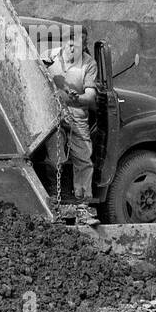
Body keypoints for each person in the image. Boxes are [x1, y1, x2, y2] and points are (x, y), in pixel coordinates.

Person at [44, 28, 99, 225]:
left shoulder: (89, 64)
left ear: (84, 44)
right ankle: (53, 208)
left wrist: (76, 97)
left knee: (83, 158)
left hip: (76, 115)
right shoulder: (49, 57)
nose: (73, 47)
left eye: (79, 43)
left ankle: (82, 209)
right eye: (70, 42)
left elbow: (91, 97)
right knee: (53, 160)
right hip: (51, 115)